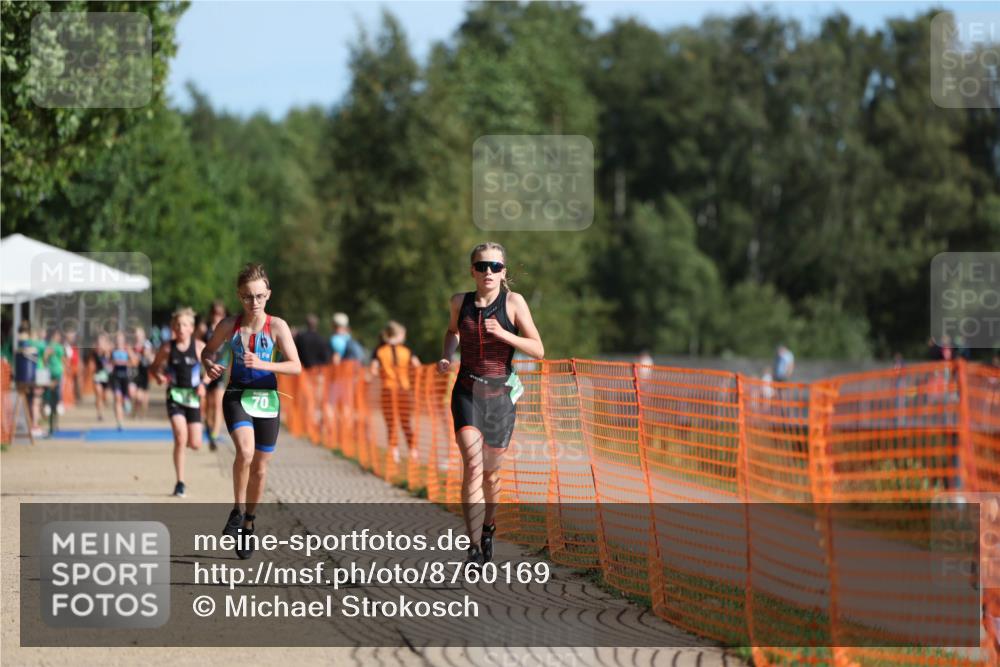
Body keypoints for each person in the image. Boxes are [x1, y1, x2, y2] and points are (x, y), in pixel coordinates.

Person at [438, 242, 544, 566]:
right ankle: (471, 548)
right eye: (482, 266)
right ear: (472, 270)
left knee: (491, 476)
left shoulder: (514, 303)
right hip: (467, 391)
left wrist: (504, 334)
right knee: (472, 466)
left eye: (495, 267)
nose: (488, 272)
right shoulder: (460, 302)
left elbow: (538, 349)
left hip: (500, 398)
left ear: (503, 272)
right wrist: (446, 355)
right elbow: (452, 332)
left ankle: (488, 529)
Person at [202, 263, 301, 559]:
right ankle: (237, 509)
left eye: (258, 296)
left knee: (260, 467)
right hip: (236, 395)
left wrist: (265, 364)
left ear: (268, 294)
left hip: (268, 399)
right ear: (238, 296)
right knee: (244, 453)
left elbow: (296, 366)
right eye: (247, 297)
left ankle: (248, 523)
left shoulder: (277, 326)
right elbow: (208, 351)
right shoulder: (229, 326)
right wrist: (209, 365)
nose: (253, 303)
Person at [150, 308, 206, 497]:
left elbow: (213, 370)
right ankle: (180, 482)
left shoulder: (199, 347)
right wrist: (158, 376)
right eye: (177, 325)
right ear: (173, 327)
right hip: (174, 396)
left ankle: (190, 442)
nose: (181, 328)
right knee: (180, 438)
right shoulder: (167, 348)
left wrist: (204, 384)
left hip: (193, 397)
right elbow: (154, 367)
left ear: (192, 328)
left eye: (185, 325)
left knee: (196, 443)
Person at [371, 321, 421, 465]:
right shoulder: (406, 350)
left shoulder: (379, 351)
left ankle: (394, 453)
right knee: (406, 423)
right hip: (403, 390)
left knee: (391, 423)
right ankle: (413, 452)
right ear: (399, 335)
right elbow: (417, 367)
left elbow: (373, 370)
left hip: (387, 390)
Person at [202, 300, 229, 451]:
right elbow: (197, 346)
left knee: (218, 405)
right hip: (206, 371)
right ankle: (209, 427)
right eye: (214, 313)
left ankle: (214, 436)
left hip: (221, 371)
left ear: (224, 315)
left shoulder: (227, 330)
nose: (216, 316)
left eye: (219, 314)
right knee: (208, 406)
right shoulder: (204, 329)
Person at [41, 330, 66, 433]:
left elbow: (62, 360)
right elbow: (45, 359)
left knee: (55, 399)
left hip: (57, 374)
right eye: (57, 336)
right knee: (50, 400)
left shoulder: (58, 347)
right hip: (51, 375)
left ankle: (55, 424)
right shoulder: (50, 347)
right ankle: (51, 423)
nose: (58, 338)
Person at [109, 332, 135, 430]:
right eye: (117, 339)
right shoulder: (113, 351)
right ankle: (120, 422)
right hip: (115, 378)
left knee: (125, 399)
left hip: (125, 378)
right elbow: (109, 362)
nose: (119, 341)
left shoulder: (127, 350)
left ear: (124, 340)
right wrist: (114, 363)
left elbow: (134, 362)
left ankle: (127, 402)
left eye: (121, 339)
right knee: (117, 398)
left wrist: (124, 362)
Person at [131, 326, 154, 420]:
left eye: (139, 334)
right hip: (135, 372)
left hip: (145, 371)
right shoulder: (133, 344)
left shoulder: (146, 344)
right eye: (136, 334)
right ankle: (135, 411)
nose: (137, 336)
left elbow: (148, 356)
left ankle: (142, 414)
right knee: (136, 395)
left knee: (144, 395)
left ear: (143, 335)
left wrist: (143, 352)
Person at [91, 334, 113, 422]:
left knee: (105, 396)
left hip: (106, 376)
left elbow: (109, 362)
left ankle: (104, 403)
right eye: (99, 342)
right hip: (97, 375)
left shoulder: (108, 351)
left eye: (102, 341)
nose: (100, 343)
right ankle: (99, 414)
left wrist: (107, 352)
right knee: (98, 394)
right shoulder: (95, 351)